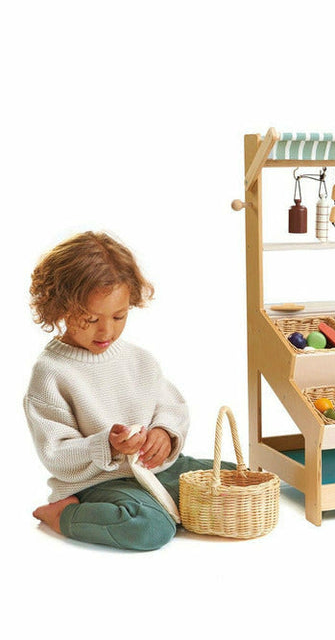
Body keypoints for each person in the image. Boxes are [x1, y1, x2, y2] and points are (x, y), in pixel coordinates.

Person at [25, 231, 220, 550]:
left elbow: (171, 407)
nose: (107, 330)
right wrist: (108, 445)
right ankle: (64, 515)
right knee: (150, 528)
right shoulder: (52, 373)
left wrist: (164, 433)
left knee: (237, 478)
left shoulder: (139, 359)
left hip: (156, 470)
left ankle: (168, 505)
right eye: (90, 319)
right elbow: (56, 454)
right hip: (99, 483)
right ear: (59, 307)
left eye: (119, 316)